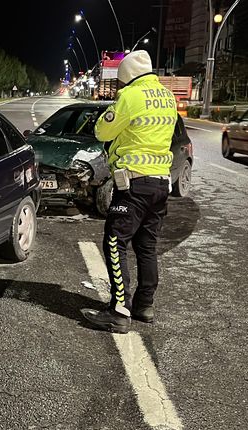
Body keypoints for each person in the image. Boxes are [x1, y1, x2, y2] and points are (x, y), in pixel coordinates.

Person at [81, 50, 177, 333]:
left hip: (134, 184)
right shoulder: (168, 97)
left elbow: (102, 131)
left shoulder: (130, 97)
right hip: (161, 183)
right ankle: (144, 305)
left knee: (115, 241)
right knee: (147, 246)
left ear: (126, 77)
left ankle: (119, 311)